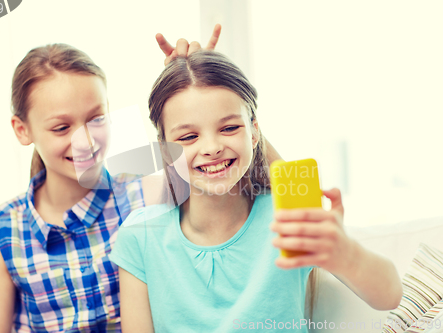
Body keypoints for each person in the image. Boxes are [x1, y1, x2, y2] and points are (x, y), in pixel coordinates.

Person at [109, 50, 403, 333]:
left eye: (229, 128)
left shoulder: (289, 215)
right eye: (188, 136)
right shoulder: (142, 235)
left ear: (254, 132)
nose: (211, 148)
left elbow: (389, 296)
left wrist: (344, 252)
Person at [0, 27, 228, 333]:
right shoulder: (4, 230)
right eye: (61, 128)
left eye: (96, 119)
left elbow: (256, 184)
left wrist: (214, 92)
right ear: (22, 130)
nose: (85, 141)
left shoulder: (145, 194)